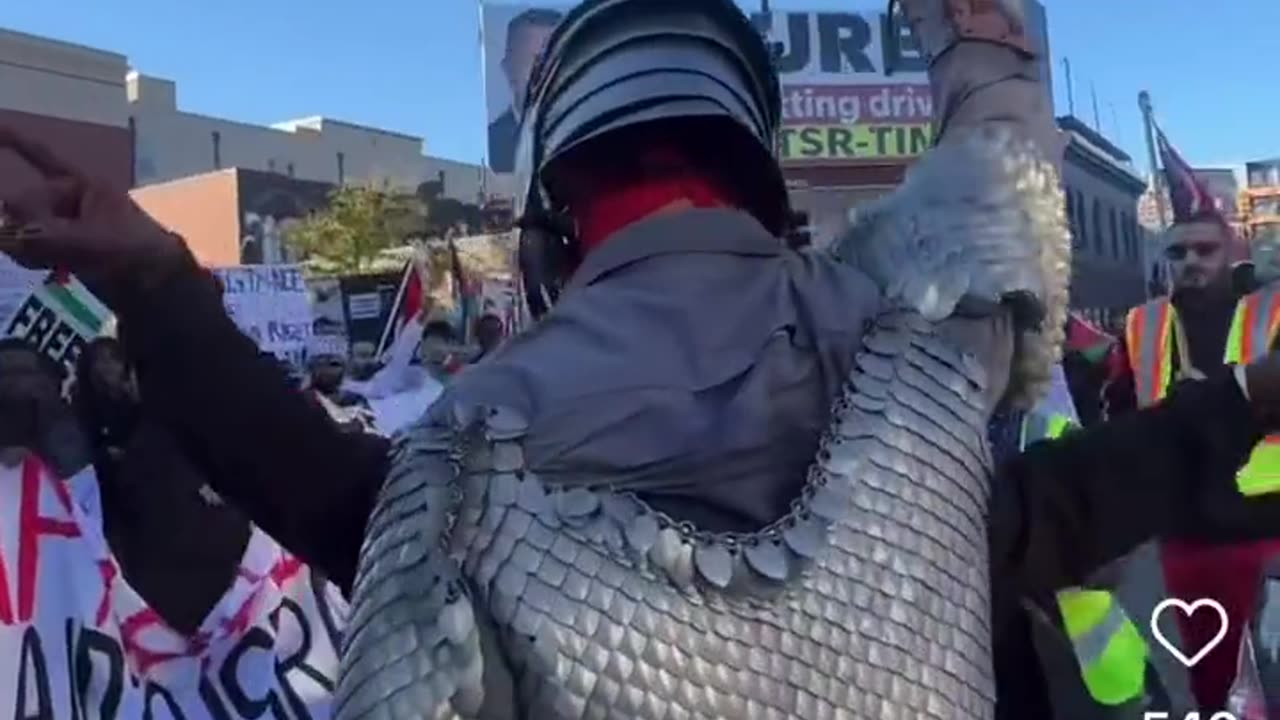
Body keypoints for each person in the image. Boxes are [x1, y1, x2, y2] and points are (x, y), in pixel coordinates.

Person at [4, 0, 1280, 715]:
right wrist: (982, 50)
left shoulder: (467, 456)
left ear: (553, 220)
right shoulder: (913, 362)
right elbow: (1000, 200)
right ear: (757, 174)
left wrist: (148, 273)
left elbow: (319, 487)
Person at [1106, 207, 1280, 711]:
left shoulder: (1272, 314)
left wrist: (1218, 401)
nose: (1191, 262)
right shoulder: (1142, 324)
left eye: (1206, 250)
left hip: (1268, 523)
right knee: (1211, 672)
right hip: (1186, 528)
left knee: (1271, 665)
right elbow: (1119, 412)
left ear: (1233, 253)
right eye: (1178, 252)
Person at [73, 337, 252, 635]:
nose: (108, 368)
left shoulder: (169, 422)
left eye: (112, 359)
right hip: (144, 539)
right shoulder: (87, 415)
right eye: (99, 362)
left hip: (194, 542)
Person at [486, 7, 562, 172]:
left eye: (556, 60)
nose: (547, 72)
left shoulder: (594, 136)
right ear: (508, 68)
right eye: (536, 61)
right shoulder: (490, 144)